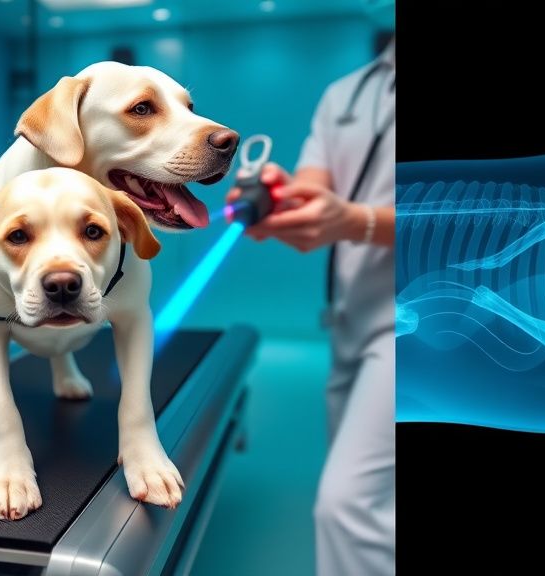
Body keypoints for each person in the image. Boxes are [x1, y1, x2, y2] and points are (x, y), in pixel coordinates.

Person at [226, 17, 395, 576]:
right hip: (351, 314)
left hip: (431, 323)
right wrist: (281, 199)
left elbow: (487, 212)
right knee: (373, 502)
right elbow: (316, 185)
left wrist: (357, 221)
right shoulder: (347, 92)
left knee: (351, 506)